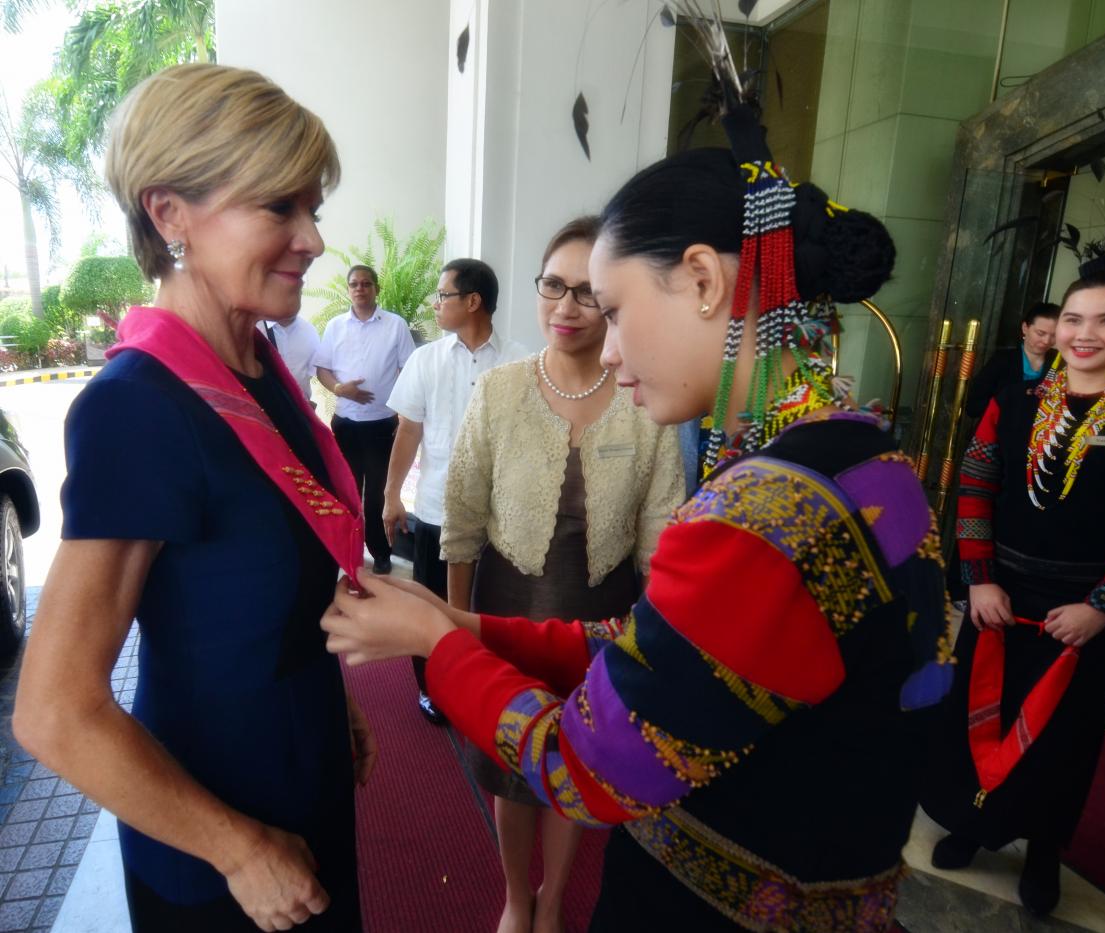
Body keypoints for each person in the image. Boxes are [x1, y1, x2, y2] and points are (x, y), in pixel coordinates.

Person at [322, 108, 955, 931]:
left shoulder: (758, 512)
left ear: (702, 279)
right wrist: (459, 617)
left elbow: (582, 766)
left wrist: (432, 645)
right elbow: (661, 651)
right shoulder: (871, 457)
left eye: (616, 309)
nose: (609, 346)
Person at [13, 64, 374, 932]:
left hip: (306, 778)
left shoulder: (257, 364)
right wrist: (237, 847)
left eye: (312, 209)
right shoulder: (138, 405)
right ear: (168, 212)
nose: (314, 240)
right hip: (220, 850)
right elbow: (54, 710)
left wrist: (333, 699)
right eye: (278, 208)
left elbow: (247, 597)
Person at [439, 215, 684, 933]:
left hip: (600, 610)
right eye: (553, 286)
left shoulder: (644, 401)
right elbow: (462, 516)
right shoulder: (500, 391)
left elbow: (662, 531)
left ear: (610, 302)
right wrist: (455, 628)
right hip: (507, 598)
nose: (566, 307)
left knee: (579, 758)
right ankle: (518, 895)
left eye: (586, 292)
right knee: (510, 764)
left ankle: (553, 901)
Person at [922, 249, 1105, 917]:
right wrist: (978, 580)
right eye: (1073, 318)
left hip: (1094, 606)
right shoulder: (1014, 399)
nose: (1084, 334)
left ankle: (1042, 850)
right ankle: (972, 824)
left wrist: (1104, 606)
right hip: (1002, 592)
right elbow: (976, 487)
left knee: (1066, 732)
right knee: (979, 709)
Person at [383, 258, 527, 726]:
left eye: (443, 295)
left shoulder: (520, 362)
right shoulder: (426, 360)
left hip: (497, 519)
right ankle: (434, 689)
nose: (436, 303)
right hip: (434, 509)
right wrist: (390, 496)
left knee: (490, 609)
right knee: (431, 607)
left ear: (472, 301)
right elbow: (408, 431)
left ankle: (489, 690)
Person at [315, 264, 416, 574]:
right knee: (345, 492)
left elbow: (409, 370)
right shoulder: (335, 326)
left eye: (366, 284)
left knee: (375, 495)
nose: (360, 288)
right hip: (346, 423)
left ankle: (381, 554)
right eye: (354, 284)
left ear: (376, 289)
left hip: (381, 424)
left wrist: (403, 408)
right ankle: (346, 552)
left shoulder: (395, 325)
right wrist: (339, 389)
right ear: (348, 290)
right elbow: (322, 368)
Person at [965, 301, 1059, 418]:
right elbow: (973, 407)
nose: (1046, 341)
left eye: (1054, 335)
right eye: (1040, 333)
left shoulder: (1060, 362)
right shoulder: (1002, 360)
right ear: (1025, 328)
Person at [260, 311, 321, 402]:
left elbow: (313, 373)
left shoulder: (309, 331)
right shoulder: (254, 328)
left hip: (299, 408)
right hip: (262, 408)